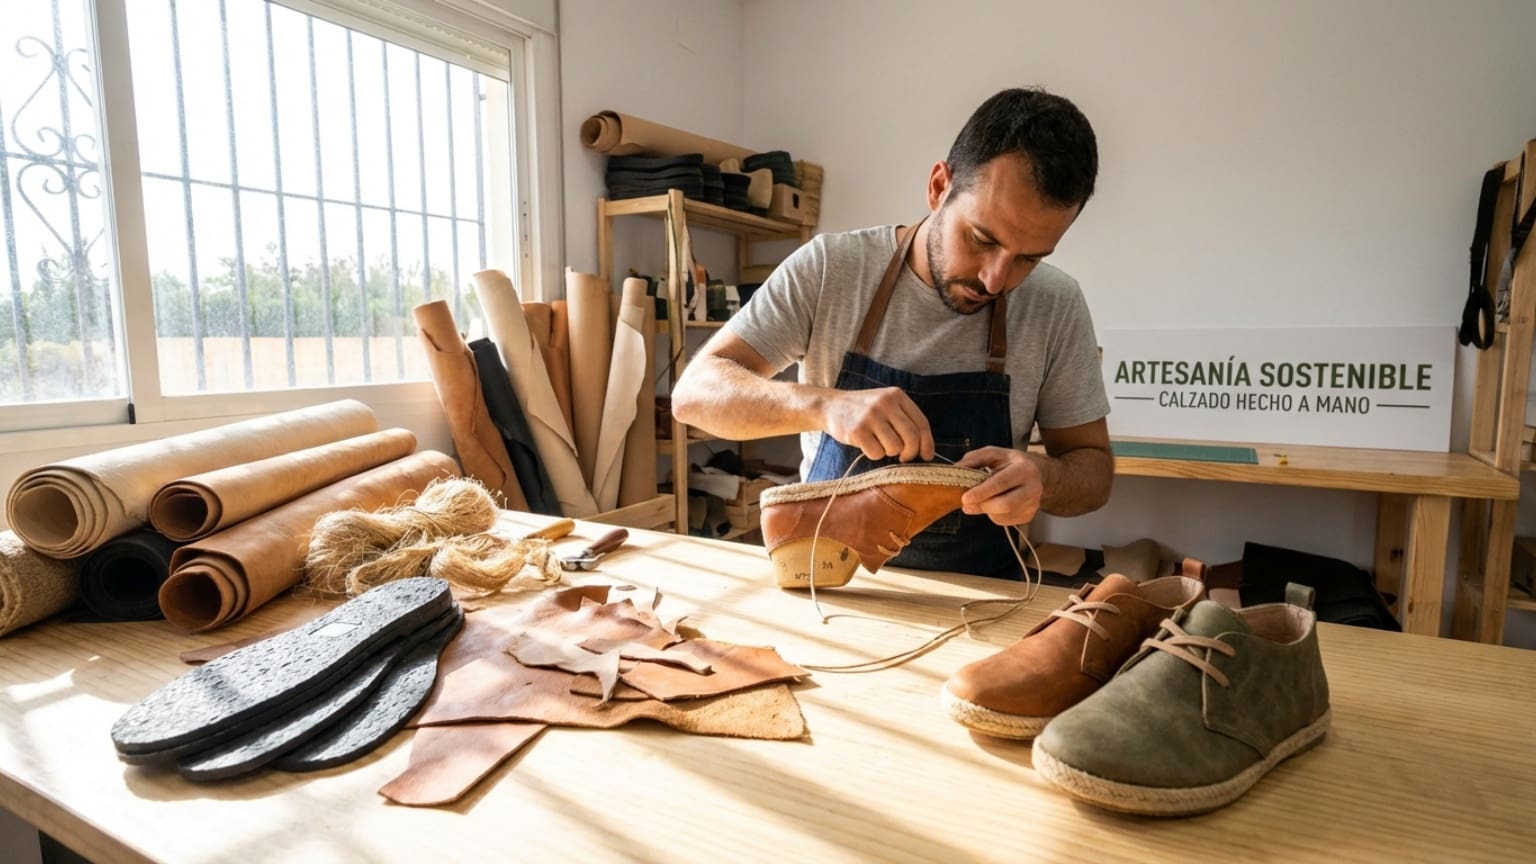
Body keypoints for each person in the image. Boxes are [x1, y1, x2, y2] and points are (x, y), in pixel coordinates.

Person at [670, 87, 1112, 578]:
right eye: (982, 239)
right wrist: (824, 405)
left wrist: (1045, 479)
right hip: (829, 587)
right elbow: (693, 396)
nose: (995, 279)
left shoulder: (1056, 303)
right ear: (939, 186)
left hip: (977, 599)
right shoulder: (832, 268)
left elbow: (1093, 470)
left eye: (1029, 258)